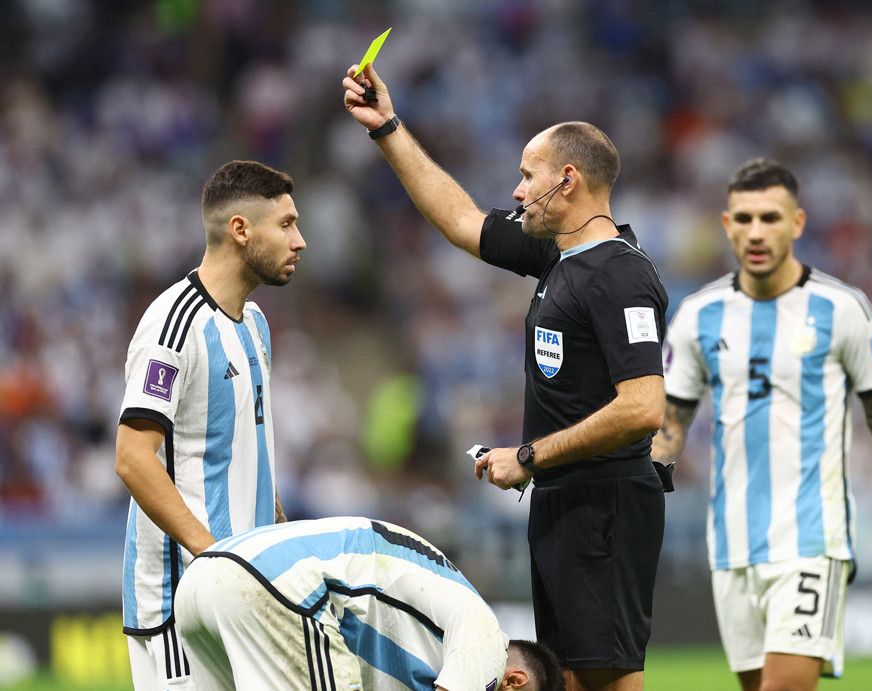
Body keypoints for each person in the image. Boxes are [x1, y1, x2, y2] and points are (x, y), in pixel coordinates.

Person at [342, 66, 668, 691]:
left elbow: (643, 407)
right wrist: (388, 128)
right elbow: (462, 220)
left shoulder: (619, 275)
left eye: (528, 175)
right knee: (570, 679)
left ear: (566, 180)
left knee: (607, 681)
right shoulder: (561, 255)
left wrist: (528, 455)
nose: (517, 192)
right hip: (566, 501)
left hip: (604, 504)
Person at [652, 158, 872, 690]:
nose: (756, 231)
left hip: (811, 537)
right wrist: (641, 488)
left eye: (770, 217)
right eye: (744, 218)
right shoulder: (696, 315)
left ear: (798, 223)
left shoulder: (842, 308)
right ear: (726, 225)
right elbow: (671, 425)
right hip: (731, 542)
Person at [114, 160, 307, 689]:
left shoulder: (257, 324)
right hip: (183, 605)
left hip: (243, 591)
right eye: (287, 225)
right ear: (240, 231)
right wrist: (215, 556)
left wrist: (283, 560)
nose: (301, 241)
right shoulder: (174, 325)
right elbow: (133, 458)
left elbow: (251, 458)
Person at [174, 516, 565, 691]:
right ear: (515, 681)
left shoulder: (441, 624)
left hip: (204, 577)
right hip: (283, 588)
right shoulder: (487, 638)